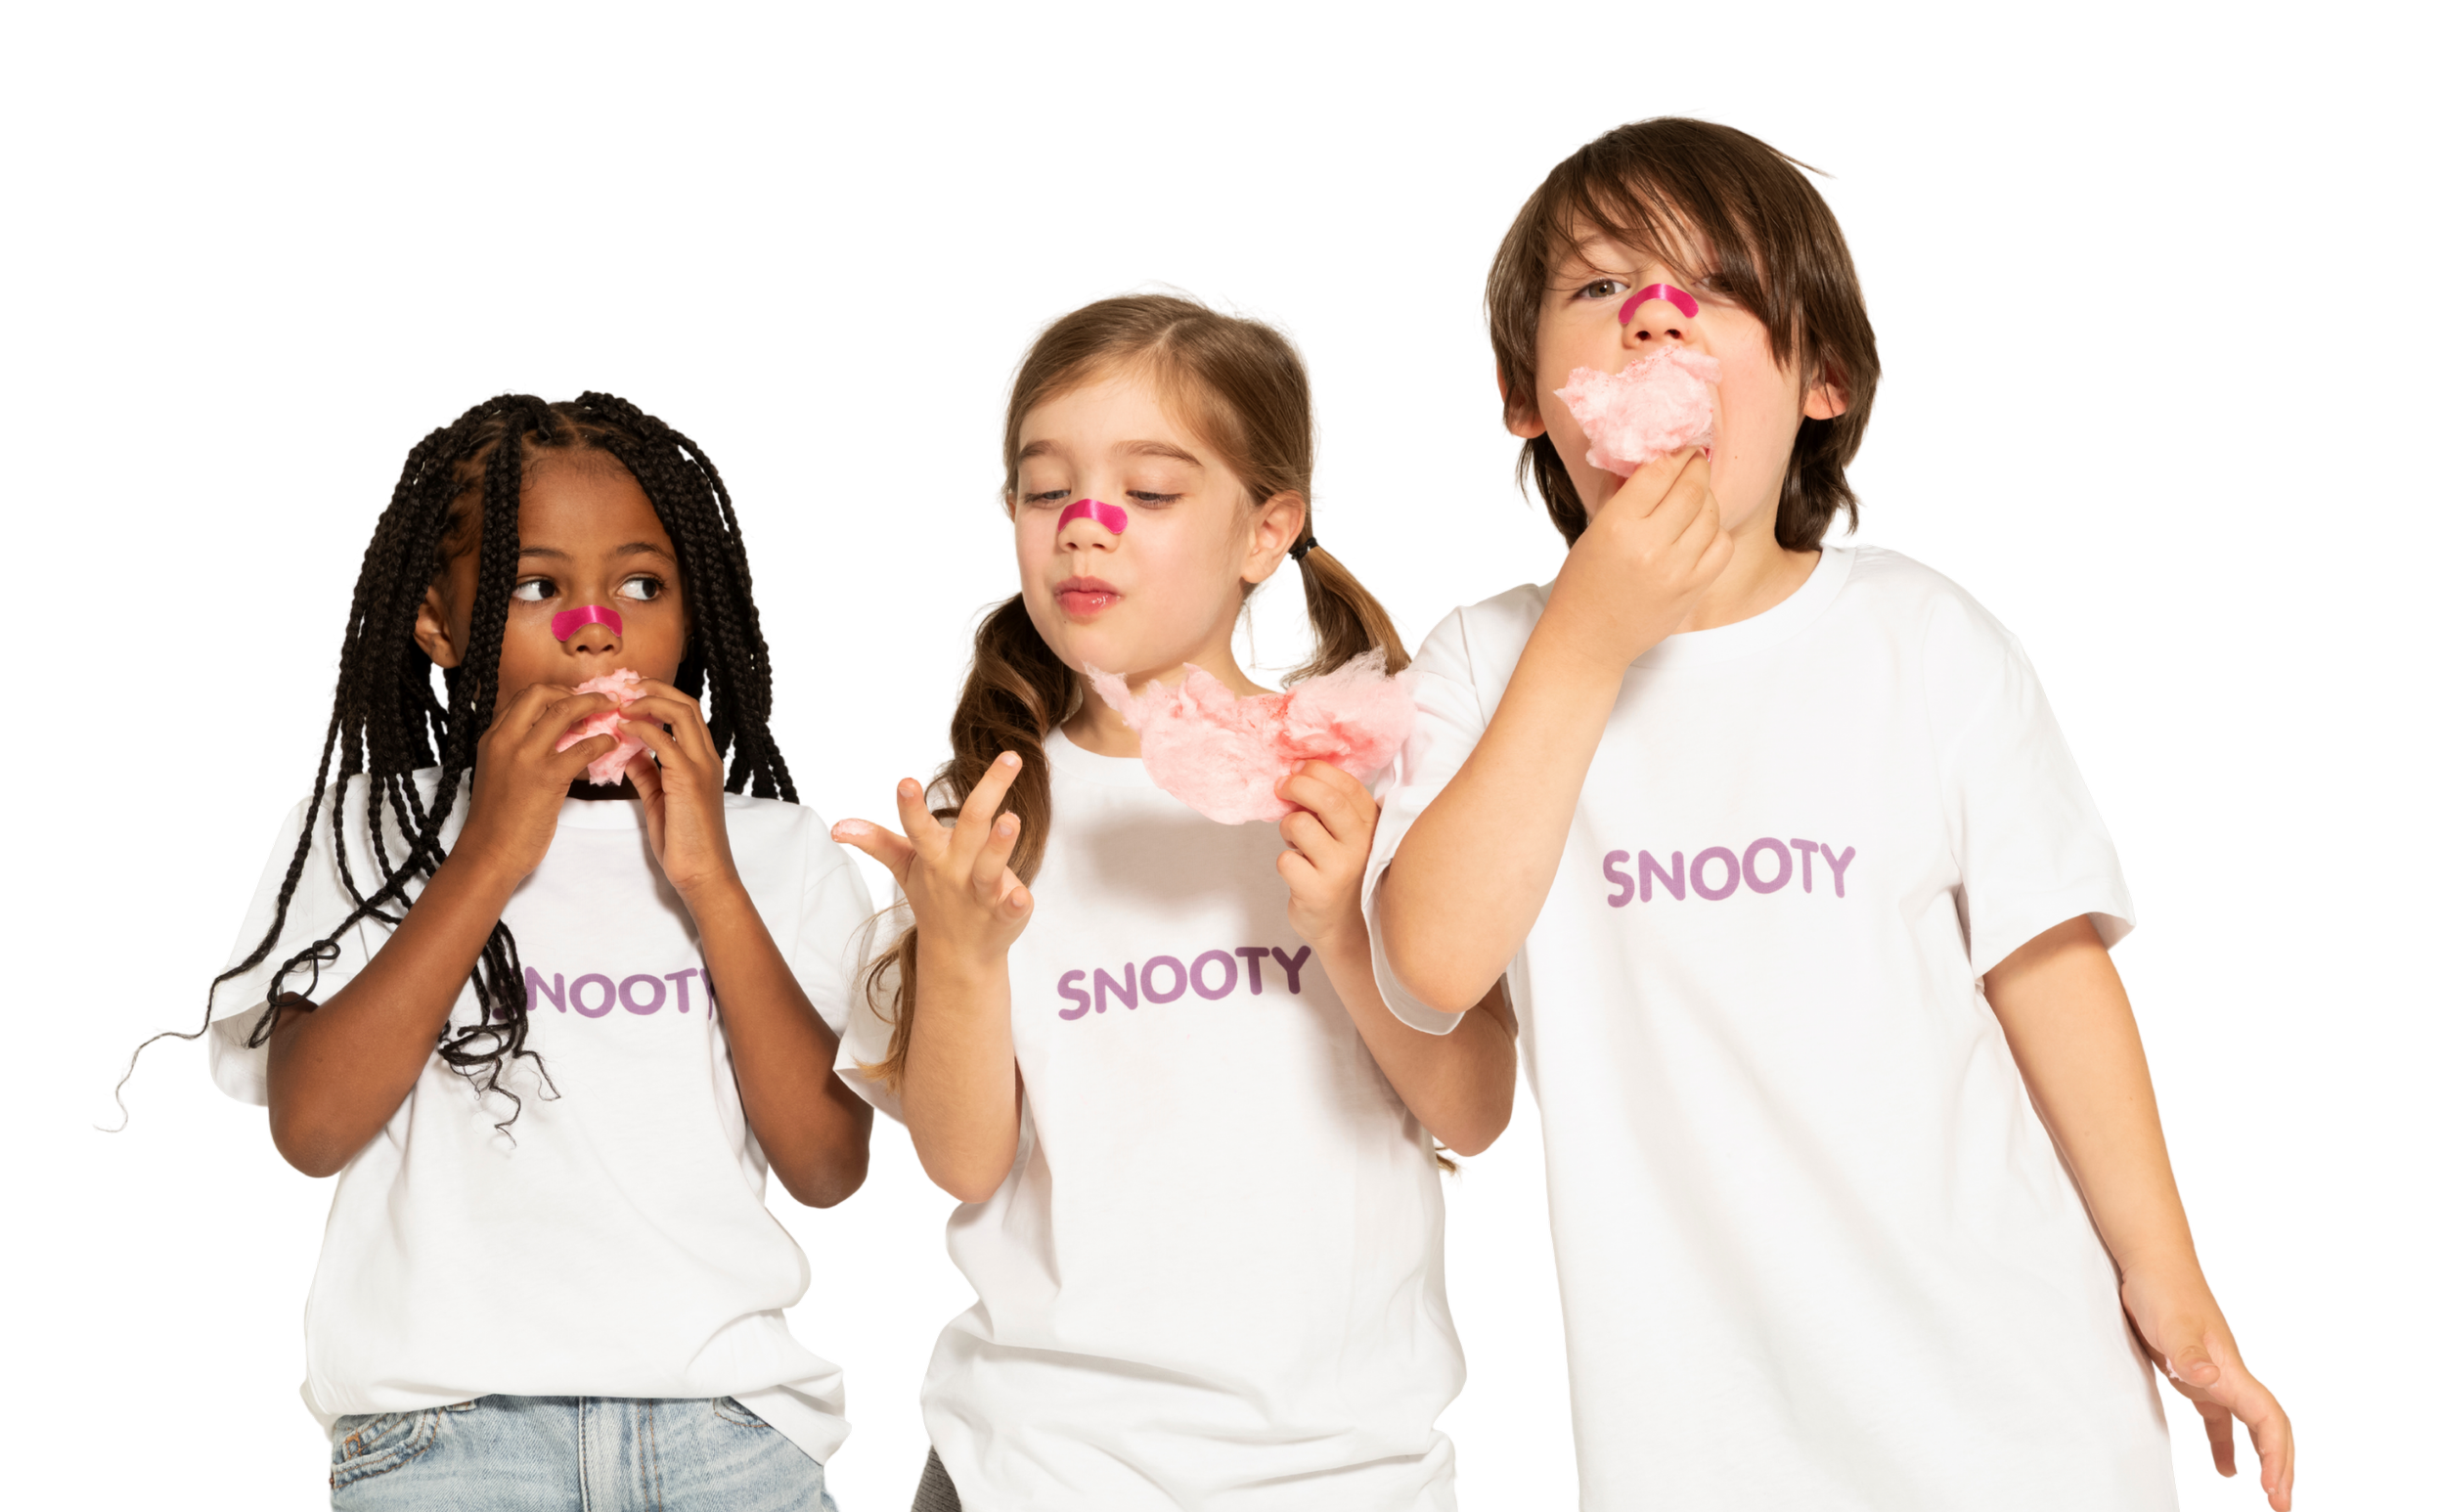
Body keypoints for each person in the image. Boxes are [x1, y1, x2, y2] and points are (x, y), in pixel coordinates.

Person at [1361, 115, 2297, 1510]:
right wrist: (1588, 640)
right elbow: (1427, 967)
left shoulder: (1927, 638)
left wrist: (2176, 1287)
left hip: (2014, 1406)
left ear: (1824, 379)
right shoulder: (1481, 662)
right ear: (1520, 392)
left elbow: (2051, 967)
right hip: (1699, 1437)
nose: (1656, 324)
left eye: (1716, 290)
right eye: (1602, 289)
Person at [108, 392, 874, 1508]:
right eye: (535, 587)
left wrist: (708, 878)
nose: (595, 627)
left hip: (726, 1436)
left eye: (641, 584)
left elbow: (827, 1166)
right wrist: (493, 855)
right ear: (437, 622)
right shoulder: (365, 830)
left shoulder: (777, 847)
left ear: (691, 609)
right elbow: (311, 1130)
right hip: (443, 1443)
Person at [829, 283, 1519, 1510]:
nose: (1084, 527)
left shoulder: (1373, 785)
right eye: (1046, 490)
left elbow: (1472, 1111)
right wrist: (966, 952)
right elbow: (962, 1163)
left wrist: (1346, 928)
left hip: (1343, 1475)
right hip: (1031, 1467)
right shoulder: (976, 813)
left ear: (1267, 531)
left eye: (1148, 492)